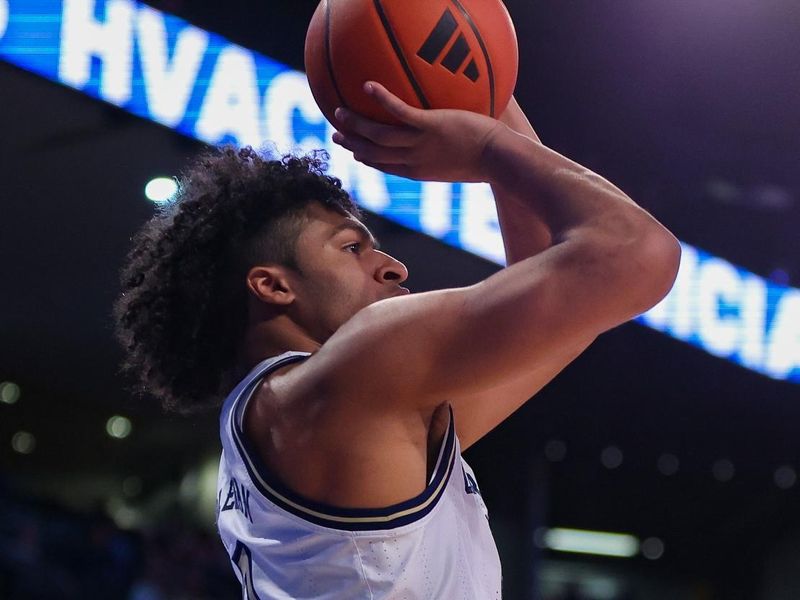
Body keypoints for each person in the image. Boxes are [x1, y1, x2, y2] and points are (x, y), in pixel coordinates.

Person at [114, 82, 680, 598]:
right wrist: (485, 148)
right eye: (351, 248)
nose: (391, 265)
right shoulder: (352, 380)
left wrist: (487, 85)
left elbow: (562, 304)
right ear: (273, 286)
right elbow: (635, 255)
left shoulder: (334, 410)